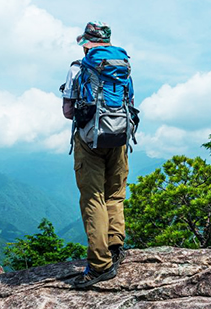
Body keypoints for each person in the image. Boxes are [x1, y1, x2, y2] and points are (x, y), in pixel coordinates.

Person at [62, 21, 130, 288]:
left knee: (93, 198)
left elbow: (68, 111)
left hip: (89, 139)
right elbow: (129, 102)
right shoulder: (123, 66)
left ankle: (100, 266)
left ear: (87, 43)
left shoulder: (78, 68)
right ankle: (115, 247)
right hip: (120, 137)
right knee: (115, 194)